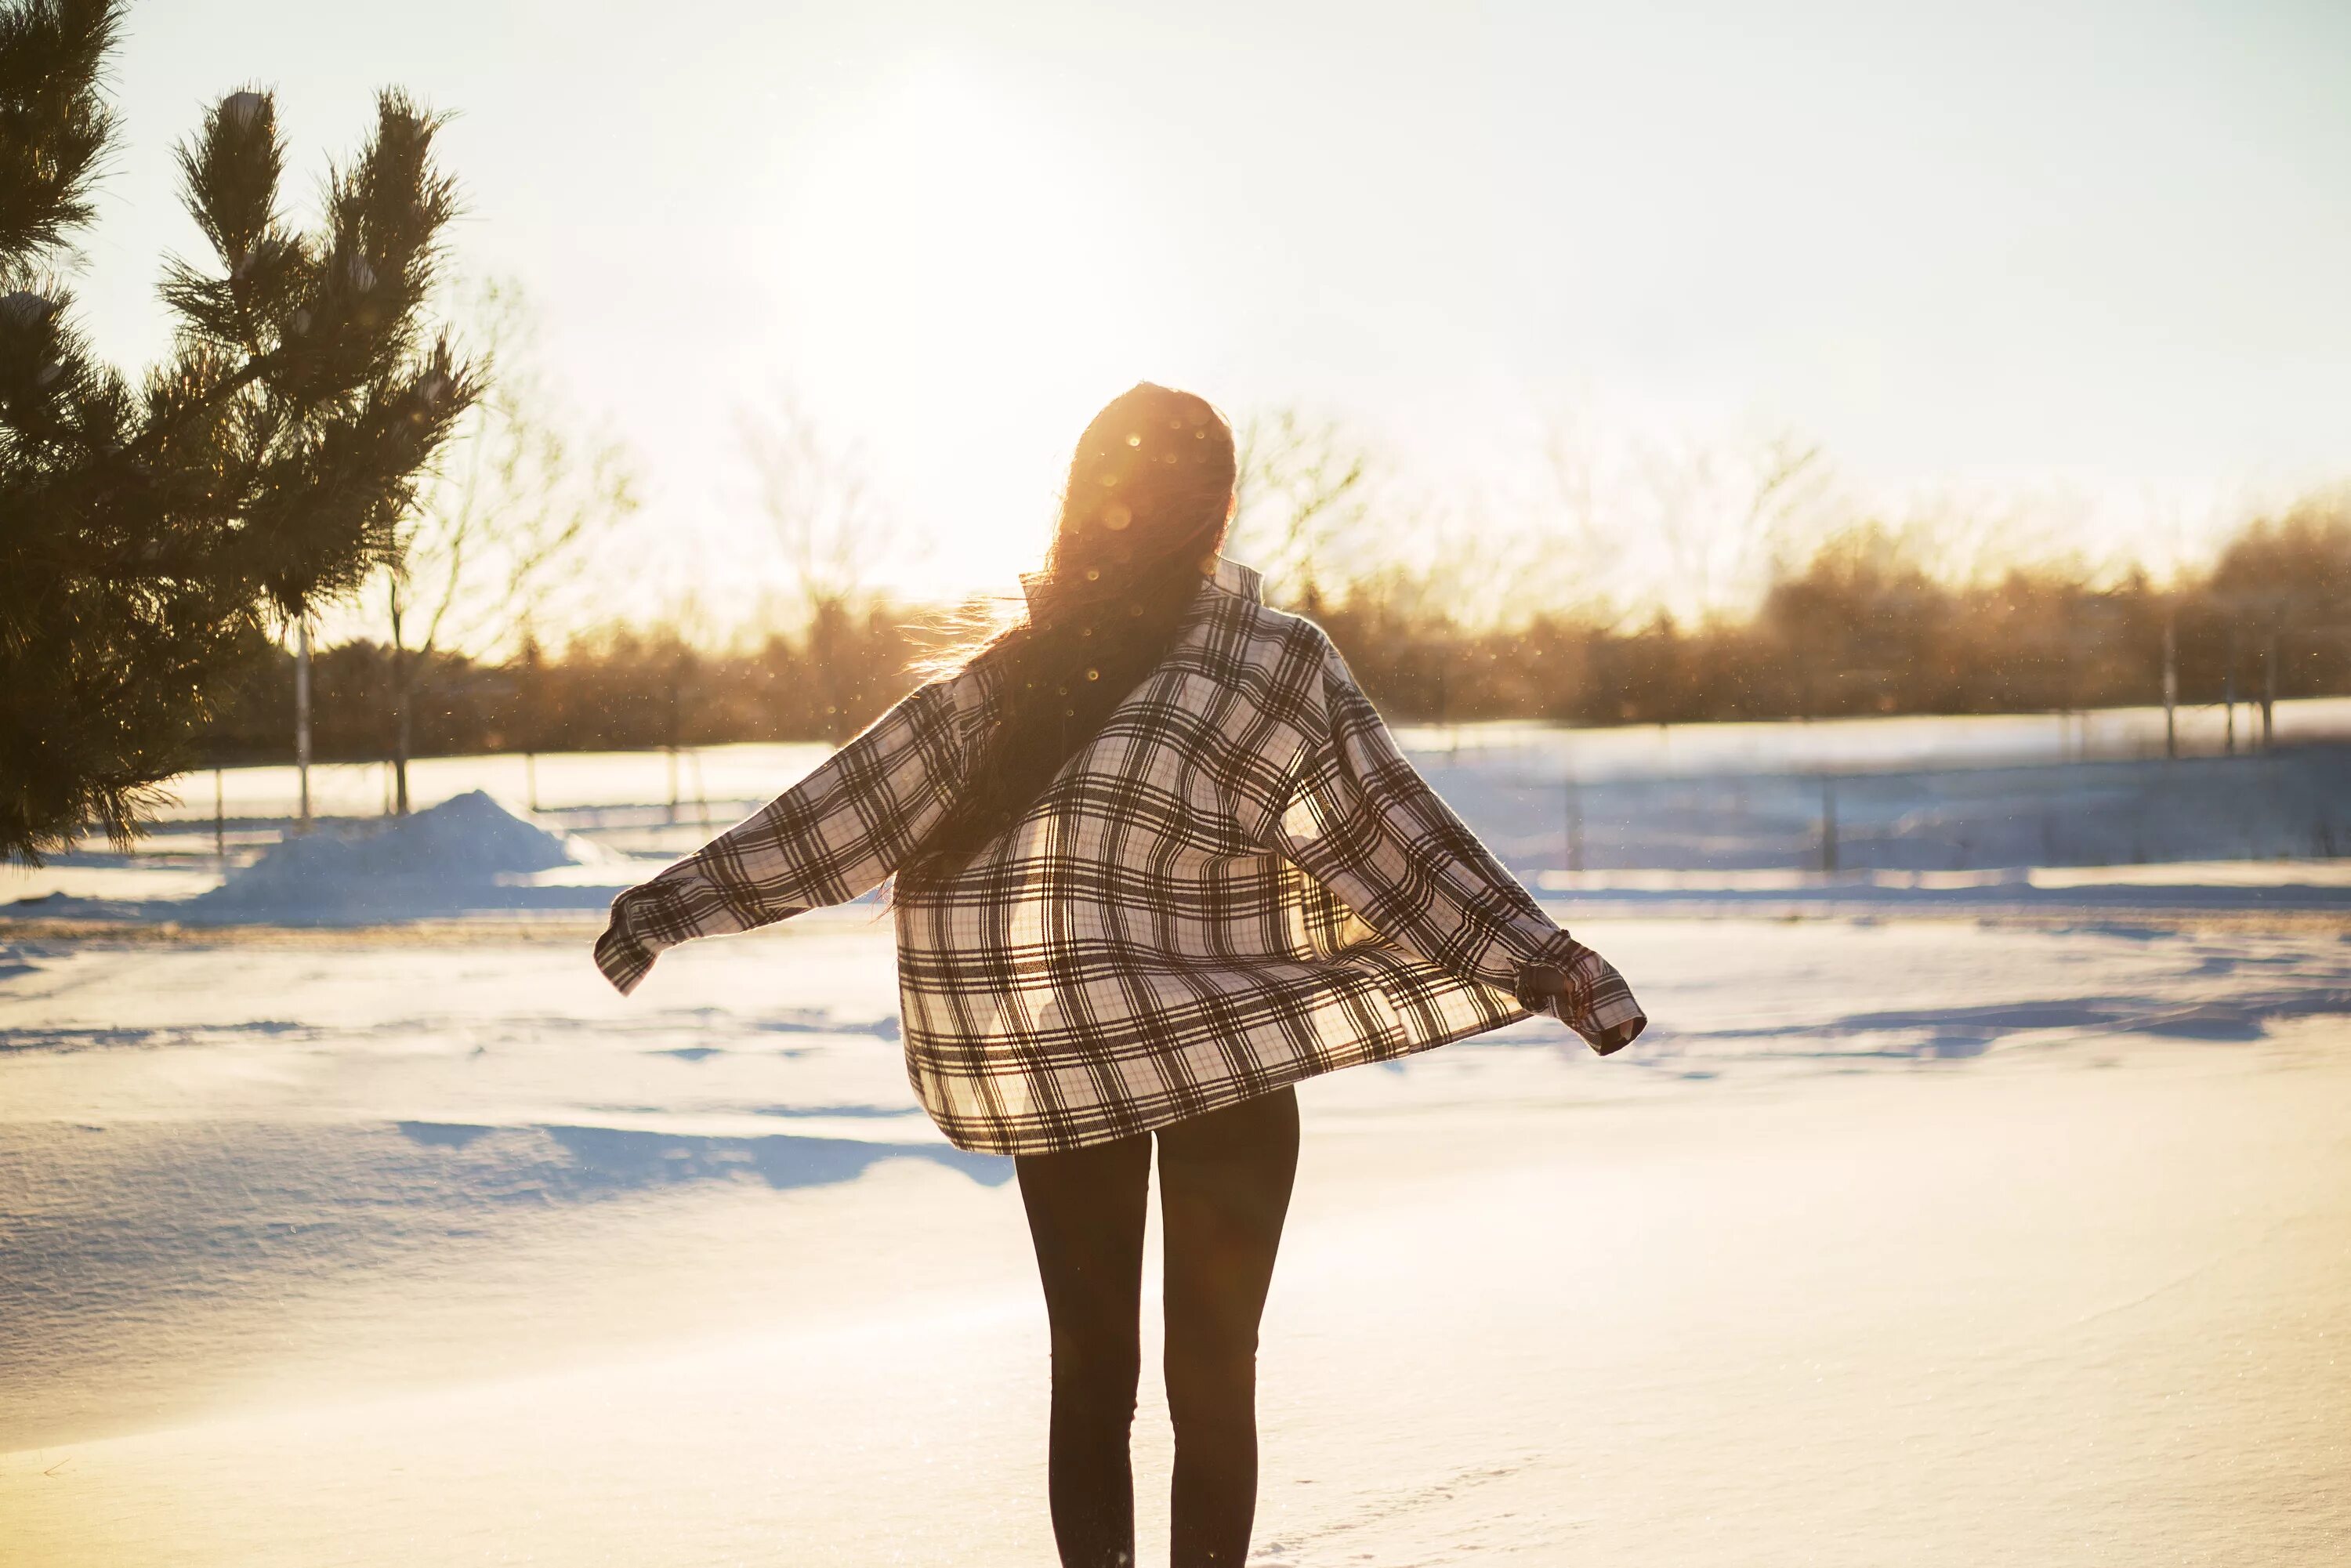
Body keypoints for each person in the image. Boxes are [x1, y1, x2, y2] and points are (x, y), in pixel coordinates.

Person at [593, 382, 1646, 1568]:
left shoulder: (1215, 665)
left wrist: (1545, 959)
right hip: (1127, 1072)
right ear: (1216, 509)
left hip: (1157, 1067)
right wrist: (672, 903)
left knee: (1164, 1381)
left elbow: (1389, 833)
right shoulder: (1052, 675)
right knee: (1126, 1377)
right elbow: (853, 806)